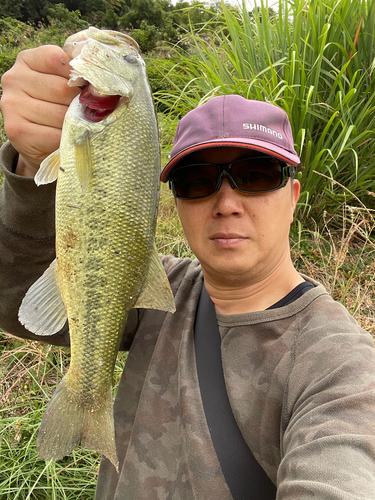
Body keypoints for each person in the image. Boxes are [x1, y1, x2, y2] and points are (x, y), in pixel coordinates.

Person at [1, 45, 375, 500]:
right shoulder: (154, 291)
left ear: (294, 196)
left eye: (255, 174)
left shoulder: (342, 368)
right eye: (197, 180)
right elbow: (10, 290)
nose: (226, 203)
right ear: (175, 203)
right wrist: (26, 166)